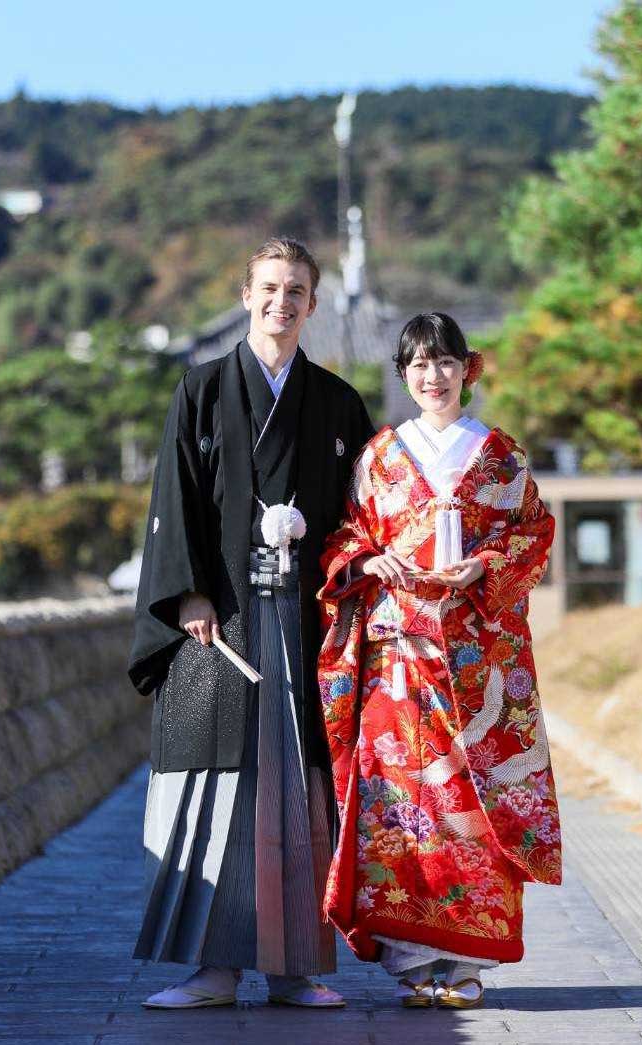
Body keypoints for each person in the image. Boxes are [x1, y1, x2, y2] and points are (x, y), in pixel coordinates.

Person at [128, 237, 374, 1009]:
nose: (281, 302)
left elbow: (367, 516)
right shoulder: (199, 390)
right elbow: (173, 503)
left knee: (299, 789)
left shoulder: (335, 402)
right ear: (245, 297)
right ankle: (213, 968)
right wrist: (189, 594)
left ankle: (296, 965)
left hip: (303, 620)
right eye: (268, 287)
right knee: (216, 786)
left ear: (312, 302)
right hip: (219, 622)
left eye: (296, 289)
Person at [317, 312, 561, 1009]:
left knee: (470, 801)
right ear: (403, 375)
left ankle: (465, 962)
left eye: (445, 361)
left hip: (475, 657)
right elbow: (344, 536)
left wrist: (482, 564)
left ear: (467, 368)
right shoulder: (378, 456)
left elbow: (533, 533)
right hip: (398, 656)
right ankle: (413, 961)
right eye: (418, 364)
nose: (432, 375)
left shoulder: (500, 454)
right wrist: (369, 556)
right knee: (398, 800)